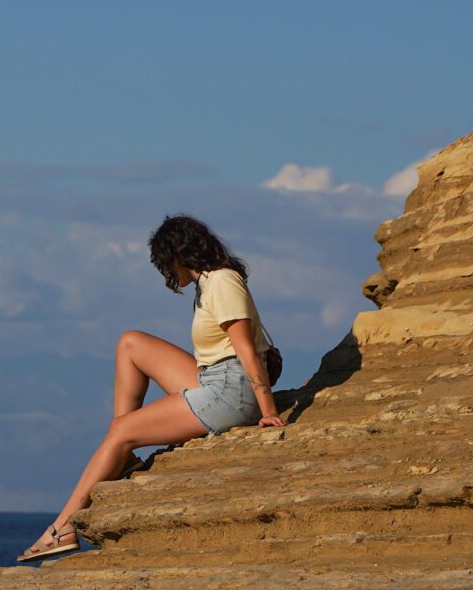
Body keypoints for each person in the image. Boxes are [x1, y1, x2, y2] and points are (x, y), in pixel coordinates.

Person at [17, 213, 285, 562]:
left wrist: (268, 411)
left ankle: (63, 527)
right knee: (131, 343)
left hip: (233, 391)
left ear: (180, 254)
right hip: (216, 376)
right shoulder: (209, 282)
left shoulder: (222, 281)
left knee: (121, 429)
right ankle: (124, 456)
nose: (166, 274)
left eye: (165, 263)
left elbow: (246, 349)